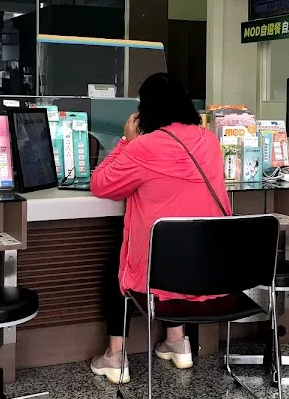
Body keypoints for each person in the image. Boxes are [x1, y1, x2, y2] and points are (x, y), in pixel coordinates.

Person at [89, 73, 230, 384]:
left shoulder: (144, 147)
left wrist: (125, 142)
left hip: (162, 269)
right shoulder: (209, 140)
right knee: (175, 248)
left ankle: (115, 355)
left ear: (146, 109)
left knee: (122, 262)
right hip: (209, 267)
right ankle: (177, 342)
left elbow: (101, 184)